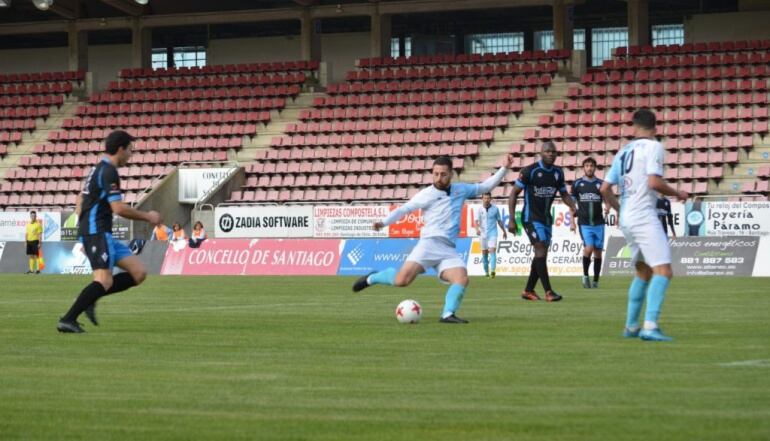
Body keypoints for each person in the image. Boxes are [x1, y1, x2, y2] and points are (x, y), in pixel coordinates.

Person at [352, 155, 513, 323]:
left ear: (451, 174)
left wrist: (504, 168)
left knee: (461, 278)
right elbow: (403, 210)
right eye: (435, 174)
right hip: (428, 244)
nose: (438, 178)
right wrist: (384, 222)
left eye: (443, 174)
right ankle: (373, 277)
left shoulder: (461, 190)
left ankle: (447, 314)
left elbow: (486, 186)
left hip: (448, 249)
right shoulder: (426, 194)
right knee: (402, 281)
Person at [57, 130, 162, 333]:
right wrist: (149, 217)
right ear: (120, 149)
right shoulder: (108, 171)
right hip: (97, 232)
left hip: (101, 232)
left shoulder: (98, 169)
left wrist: (81, 218)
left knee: (138, 273)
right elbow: (119, 209)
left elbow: (81, 197)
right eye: (130, 150)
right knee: (104, 280)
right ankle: (68, 319)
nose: (131, 155)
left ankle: (91, 297)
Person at [600, 109, 688, 342]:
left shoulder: (623, 151)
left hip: (628, 217)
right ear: (656, 128)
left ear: (634, 127)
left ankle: (631, 326)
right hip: (643, 215)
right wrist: (677, 192)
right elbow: (654, 182)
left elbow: (604, 189)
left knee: (643, 271)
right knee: (664, 270)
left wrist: (620, 211)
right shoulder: (654, 147)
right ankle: (650, 326)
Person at [508, 141, 577, 302]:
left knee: (541, 254)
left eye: (553, 152)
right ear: (541, 153)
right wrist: (512, 219)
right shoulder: (530, 171)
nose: (551, 154)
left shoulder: (558, 173)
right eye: (547, 151)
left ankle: (528, 290)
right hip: (530, 218)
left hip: (546, 219)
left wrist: (573, 206)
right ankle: (549, 292)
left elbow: (564, 194)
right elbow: (513, 194)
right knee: (540, 250)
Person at [569, 157, 609, 289]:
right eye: (586, 166)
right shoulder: (577, 184)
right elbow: (571, 204)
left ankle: (596, 281)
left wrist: (608, 207)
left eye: (591, 166)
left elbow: (608, 198)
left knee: (598, 252)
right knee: (589, 248)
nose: (589, 168)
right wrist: (572, 222)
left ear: (595, 167)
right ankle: (585, 275)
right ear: (583, 168)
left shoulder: (601, 184)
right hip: (584, 223)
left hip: (599, 223)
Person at [474, 192, 507, 278]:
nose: (486, 200)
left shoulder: (495, 209)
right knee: (484, 253)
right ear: (482, 199)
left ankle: (493, 271)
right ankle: (486, 272)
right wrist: (477, 229)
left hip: (493, 233)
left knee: (492, 251)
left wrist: (504, 231)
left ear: (490, 199)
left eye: (488, 198)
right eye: (485, 198)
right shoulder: (479, 209)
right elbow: (476, 222)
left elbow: (499, 221)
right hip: (482, 234)